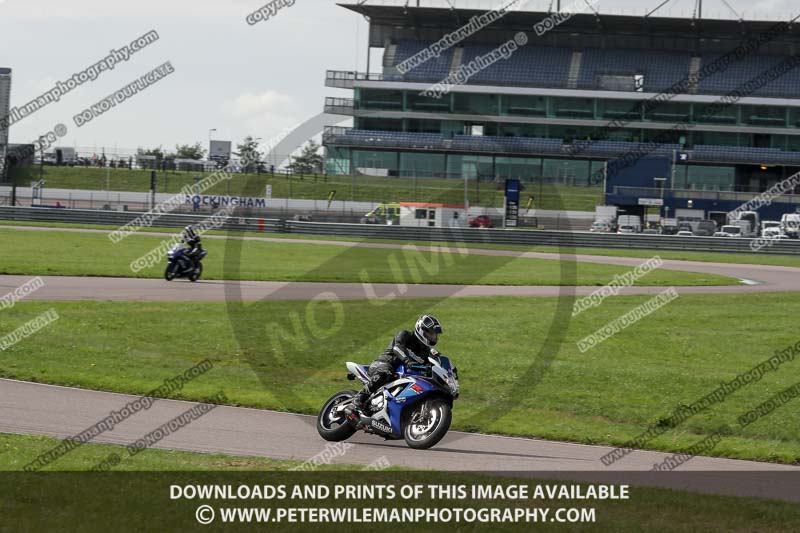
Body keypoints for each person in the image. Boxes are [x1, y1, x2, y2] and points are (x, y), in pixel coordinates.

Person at [352, 315, 443, 411]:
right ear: (421, 329)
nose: (434, 337)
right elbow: (397, 348)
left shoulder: (425, 351)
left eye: (435, 335)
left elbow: (429, 366)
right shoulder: (405, 335)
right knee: (386, 373)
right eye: (432, 334)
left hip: (402, 375)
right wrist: (408, 361)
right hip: (383, 363)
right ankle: (359, 398)